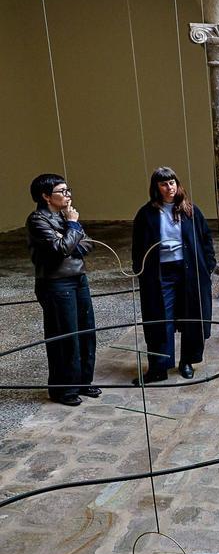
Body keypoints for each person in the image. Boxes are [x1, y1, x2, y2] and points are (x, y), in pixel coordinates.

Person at [131, 167, 216, 383]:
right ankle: (158, 367)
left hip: (189, 270)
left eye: (172, 183)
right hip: (160, 273)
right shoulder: (146, 213)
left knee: (191, 316)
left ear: (177, 184)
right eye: (163, 184)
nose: (169, 188)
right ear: (156, 188)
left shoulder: (190, 210)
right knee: (160, 318)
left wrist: (208, 265)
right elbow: (138, 245)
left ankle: (187, 361)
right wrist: (139, 269)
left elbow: (206, 239)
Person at [26, 174, 99, 406]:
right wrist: (72, 228)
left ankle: (83, 382)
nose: (68, 195)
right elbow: (60, 249)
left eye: (68, 190)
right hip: (57, 284)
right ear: (46, 196)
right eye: (62, 191)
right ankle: (64, 390)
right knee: (65, 337)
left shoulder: (65, 216)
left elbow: (87, 244)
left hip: (78, 278)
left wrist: (69, 236)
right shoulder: (38, 220)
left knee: (86, 332)